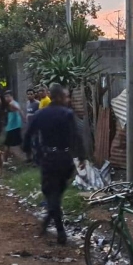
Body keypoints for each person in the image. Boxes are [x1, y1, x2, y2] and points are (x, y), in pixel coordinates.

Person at [22, 84, 85, 244]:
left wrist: (29, 152)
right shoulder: (68, 114)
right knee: (57, 192)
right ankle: (52, 219)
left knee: (51, 194)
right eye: (66, 96)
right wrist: (82, 157)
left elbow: (28, 135)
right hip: (65, 159)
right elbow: (76, 137)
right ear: (59, 97)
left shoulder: (40, 114)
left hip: (48, 158)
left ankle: (59, 229)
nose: (68, 99)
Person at [3, 91, 24, 161]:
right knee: (19, 142)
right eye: (5, 97)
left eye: (8, 96)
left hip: (13, 127)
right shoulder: (13, 103)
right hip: (14, 126)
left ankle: (4, 160)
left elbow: (19, 109)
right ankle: (27, 157)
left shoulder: (12, 103)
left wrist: (24, 117)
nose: (6, 98)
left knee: (7, 144)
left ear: (11, 96)